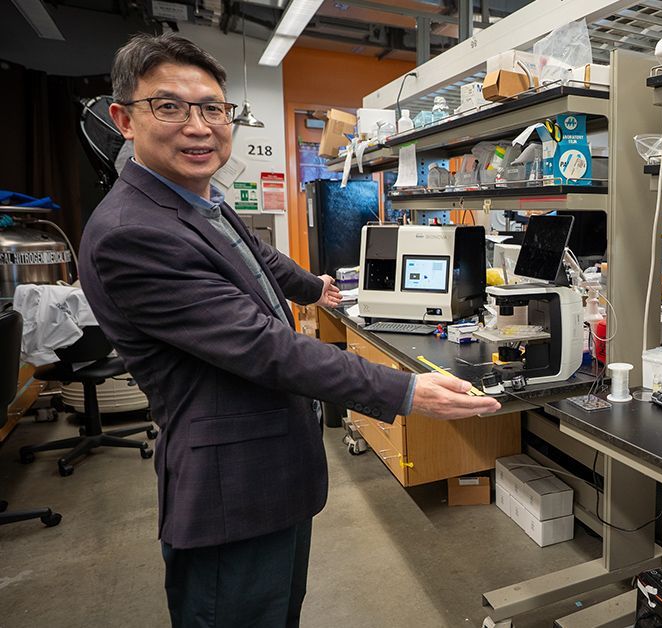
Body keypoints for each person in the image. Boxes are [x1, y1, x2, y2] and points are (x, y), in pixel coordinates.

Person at [79, 33, 501, 627]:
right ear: (125, 119)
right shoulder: (133, 232)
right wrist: (405, 389)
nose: (198, 127)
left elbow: (255, 255)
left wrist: (313, 288)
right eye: (169, 106)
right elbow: (264, 347)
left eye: (212, 108)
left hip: (269, 475)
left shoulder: (196, 200)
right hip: (232, 491)